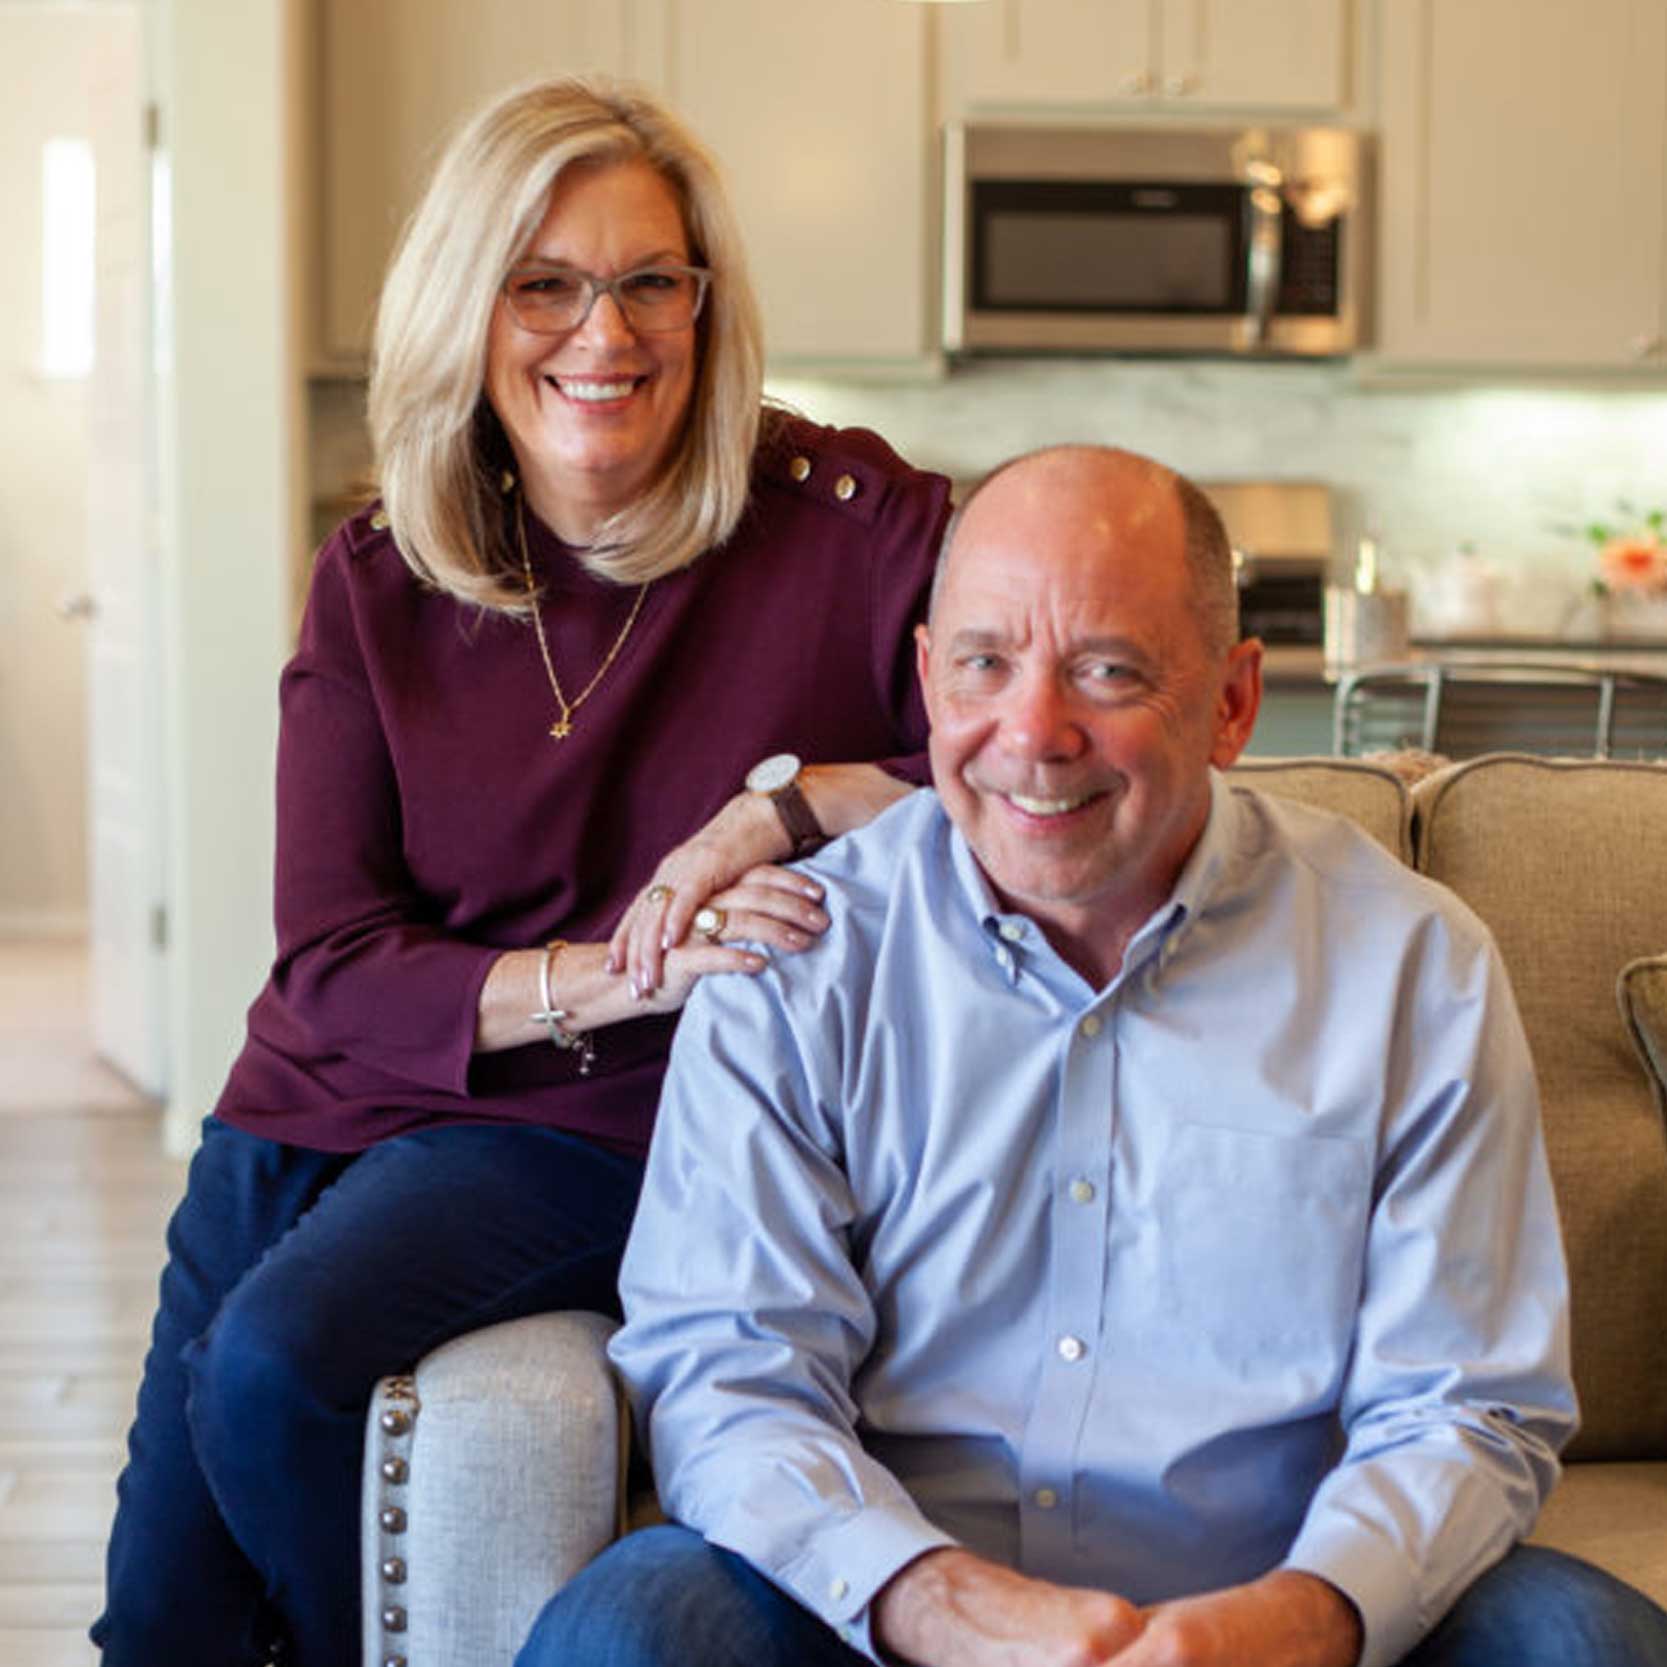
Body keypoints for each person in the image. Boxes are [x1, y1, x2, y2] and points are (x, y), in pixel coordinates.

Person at [519, 446, 1667, 1667]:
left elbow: (1461, 1402)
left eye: (1106, 670)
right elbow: (727, 1370)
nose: (1033, 731)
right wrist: (942, 1607)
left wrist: (1295, 1619)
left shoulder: (1406, 962)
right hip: (884, 1625)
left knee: (1574, 1637)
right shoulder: (800, 955)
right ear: (925, 679)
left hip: (1273, 1629)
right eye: (984, 664)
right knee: (637, 1619)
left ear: (1231, 702)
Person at [92, 76, 950, 1667]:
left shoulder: (843, 520)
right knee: (158, 1622)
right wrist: (600, 971)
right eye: (542, 283)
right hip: (327, 1090)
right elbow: (332, 957)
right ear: (467, 309)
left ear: (702, 302)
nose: (600, 334)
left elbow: (1044, 758)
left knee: (273, 1368)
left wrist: (793, 805)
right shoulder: (379, 572)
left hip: (600, 1117)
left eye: (646, 281)